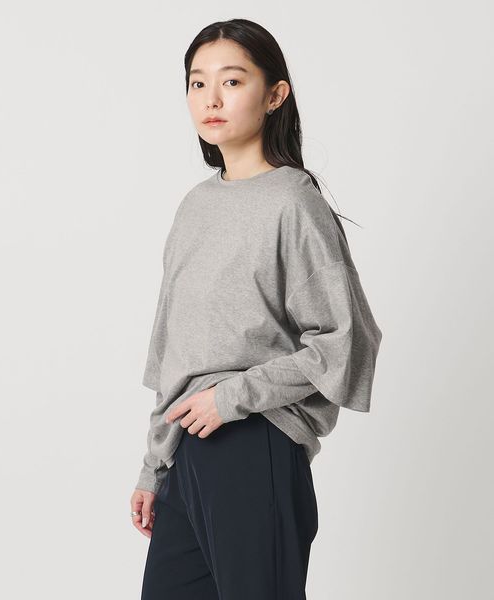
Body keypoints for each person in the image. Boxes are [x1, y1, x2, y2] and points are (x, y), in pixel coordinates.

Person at [130, 18, 383, 600]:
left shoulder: (293, 202)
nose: (211, 99)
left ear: (275, 95)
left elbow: (344, 341)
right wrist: (154, 465)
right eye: (197, 83)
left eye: (232, 81)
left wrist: (231, 398)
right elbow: (173, 351)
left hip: (253, 441)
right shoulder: (195, 206)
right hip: (186, 450)